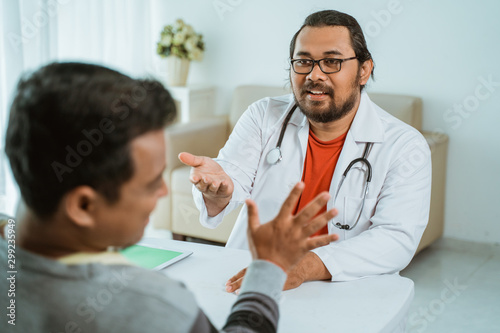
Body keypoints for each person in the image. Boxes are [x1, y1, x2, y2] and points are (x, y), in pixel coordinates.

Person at [0, 62, 338, 333]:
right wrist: (268, 269)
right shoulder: (152, 308)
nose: (164, 191)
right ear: (83, 206)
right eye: (150, 184)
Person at [179, 10, 432, 293]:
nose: (314, 74)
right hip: (255, 276)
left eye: (332, 62)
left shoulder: (405, 146)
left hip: (349, 287)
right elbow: (229, 180)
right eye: (303, 62)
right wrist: (218, 193)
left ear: (364, 70)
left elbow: (396, 239)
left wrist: (303, 267)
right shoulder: (264, 115)